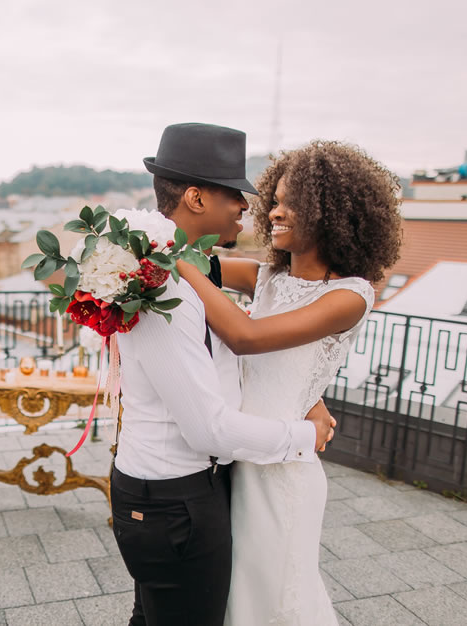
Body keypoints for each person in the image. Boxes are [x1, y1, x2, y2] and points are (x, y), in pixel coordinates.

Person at [111, 123, 335, 626]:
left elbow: (233, 354)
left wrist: (306, 390)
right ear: (194, 197)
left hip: (185, 490)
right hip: (175, 499)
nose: (246, 207)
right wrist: (306, 434)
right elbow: (208, 428)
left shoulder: (191, 268)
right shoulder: (160, 288)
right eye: (236, 194)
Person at [176, 140, 402, 624]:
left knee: (277, 599)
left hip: (283, 474)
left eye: (289, 202)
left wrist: (180, 266)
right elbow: (193, 257)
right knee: (240, 597)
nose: (274, 211)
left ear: (331, 213)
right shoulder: (266, 278)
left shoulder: (350, 295)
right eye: (274, 200)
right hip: (239, 457)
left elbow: (246, 336)